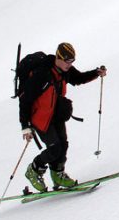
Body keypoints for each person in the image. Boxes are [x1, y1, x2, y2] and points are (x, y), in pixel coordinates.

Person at [19, 42, 107, 191]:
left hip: (55, 115)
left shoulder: (65, 70)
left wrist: (96, 73)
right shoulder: (42, 74)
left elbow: (78, 78)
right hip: (40, 118)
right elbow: (25, 99)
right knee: (54, 148)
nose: (70, 64)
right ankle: (34, 170)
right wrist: (25, 127)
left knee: (63, 145)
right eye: (67, 61)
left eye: (72, 61)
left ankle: (58, 174)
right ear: (58, 57)